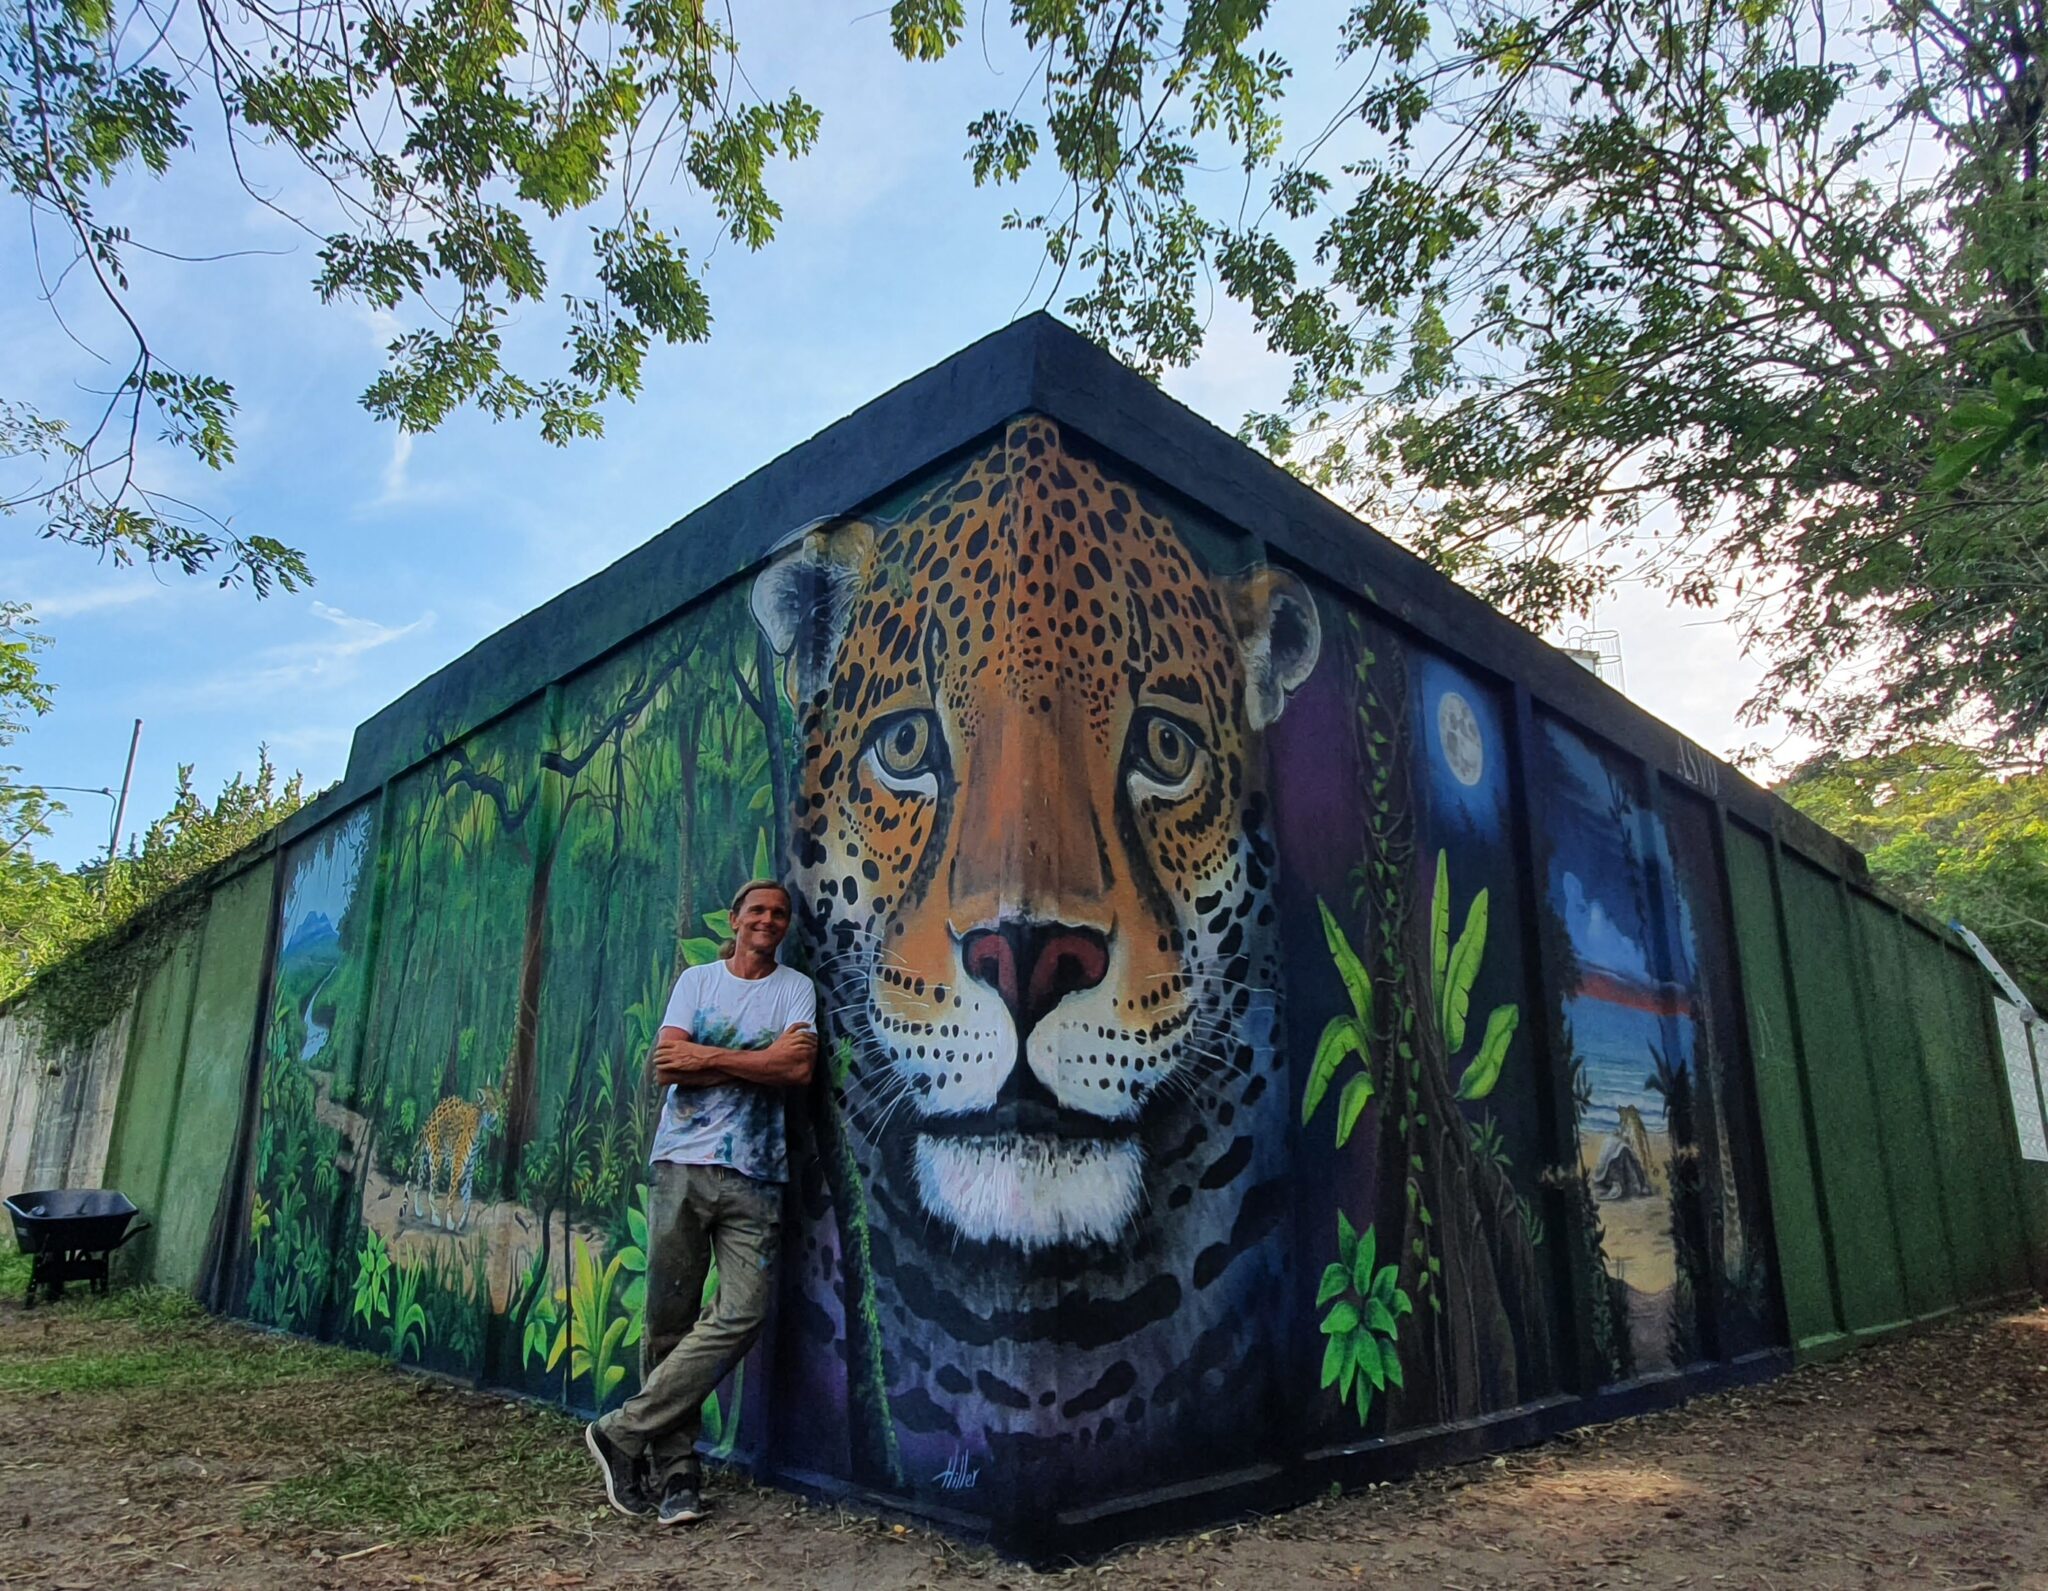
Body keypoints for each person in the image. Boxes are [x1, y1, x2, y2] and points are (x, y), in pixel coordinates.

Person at [584, 878, 816, 1526]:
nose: (768, 920)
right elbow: (667, 1062)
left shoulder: (796, 989)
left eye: (779, 913)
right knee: (668, 1321)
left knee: (742, 1312)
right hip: (682, 1165)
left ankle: (621, 1430)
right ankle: (679, 1473)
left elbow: (797, 1070)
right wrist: (755, 1057)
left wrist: (707, 1058)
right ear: (738, 918)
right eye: (758, 910)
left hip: (755, 1175)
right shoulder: (697, 981)